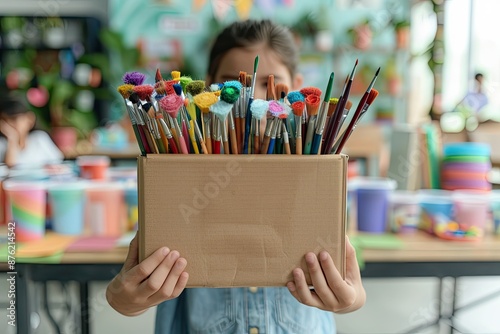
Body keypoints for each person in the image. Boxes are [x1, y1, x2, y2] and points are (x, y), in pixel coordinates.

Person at [106, 19, 366, 333]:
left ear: (298, 89)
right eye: (233, 86)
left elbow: (353, 287)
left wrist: (349, 299)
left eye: (274, 87)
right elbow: (137, 286)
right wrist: (124, 298)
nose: (252, 100)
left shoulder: (318, 172)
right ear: (206, 87)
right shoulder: (178, 170)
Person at [0, 91, 63, 168]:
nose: (9, 125)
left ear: (30, 119)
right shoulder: (2, 144)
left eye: (14, 119)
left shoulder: (39, 139)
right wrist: (12, 140)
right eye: (5, 121)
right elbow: (10, 170)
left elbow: (59, 162)